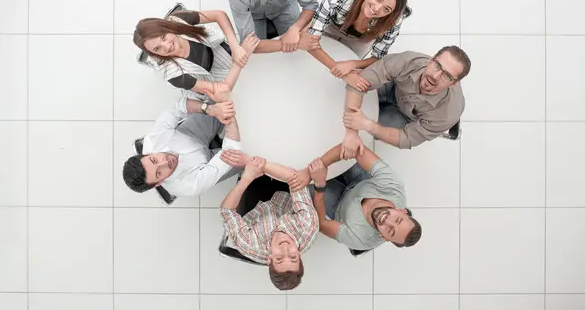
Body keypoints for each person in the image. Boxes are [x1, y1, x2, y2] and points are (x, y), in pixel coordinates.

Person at [341, 46, 471, 156]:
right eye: (437, 66)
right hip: (393, 86)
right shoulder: (408, 61)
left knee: (361, 136)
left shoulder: (447, 114)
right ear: (431, 60)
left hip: (406, 117)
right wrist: (351, 132)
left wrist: (368, 125)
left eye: (446, 76)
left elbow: (406, 139)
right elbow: (358, 82)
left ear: (454, 83)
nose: (435, 76)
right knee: (342, 105)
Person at [122, 83, 242, 197]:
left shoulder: (153, 138)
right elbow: (232, 152)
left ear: (147, 154)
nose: (165, 163)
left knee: (222, 93)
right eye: (159, 173)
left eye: (154, 160)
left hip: (192, 133)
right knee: (251, 154)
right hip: (206, 164)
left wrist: (209, 109)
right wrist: (229, 115)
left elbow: (177, 108)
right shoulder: (188, 186)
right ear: (159, 183)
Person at [219, 156, 318, 291]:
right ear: (299, 254)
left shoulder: (249, 245)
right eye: (293, 257)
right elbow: (293, 177)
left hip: (256, 207)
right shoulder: (308, 227)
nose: (285, 249)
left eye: (279, 258)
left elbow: (226, 211)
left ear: (270, 259)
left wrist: (248, 176)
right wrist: (254, 162)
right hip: (286, 195)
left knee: (253, 173)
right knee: (289, 160)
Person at [298, 0, 409, 92]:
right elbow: (309, 42)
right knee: (309, 66)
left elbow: (377, 58)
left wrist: (353, 63)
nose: (376, 9)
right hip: (331, 28)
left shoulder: (393, 23)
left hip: (359, 42)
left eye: (386, 9)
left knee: (336, 85)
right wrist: (342, 73)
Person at [306, 143, 422, 251]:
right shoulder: (394, 188)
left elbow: (322, 224)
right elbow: (356, 148)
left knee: (301, 184)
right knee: (339, 146)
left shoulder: (362, 241)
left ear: (384, 237)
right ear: (402, 210)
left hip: (338, 205)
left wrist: (319, 185)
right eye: (398, 219)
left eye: (390, 231)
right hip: (359, 180)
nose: (387, 220)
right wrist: (322, 163)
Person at [133, 8, 260, 101]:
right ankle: (150, 60)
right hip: (206, 80)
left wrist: (235, 46)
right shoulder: (174, 76)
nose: (167, 46)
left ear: (168, 27)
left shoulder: (176, 20)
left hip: (214, 51)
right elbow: (221, 92)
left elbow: (219, 15)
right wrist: (238, 63)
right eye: (157, 48)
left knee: (249, 46)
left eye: (163, 37)